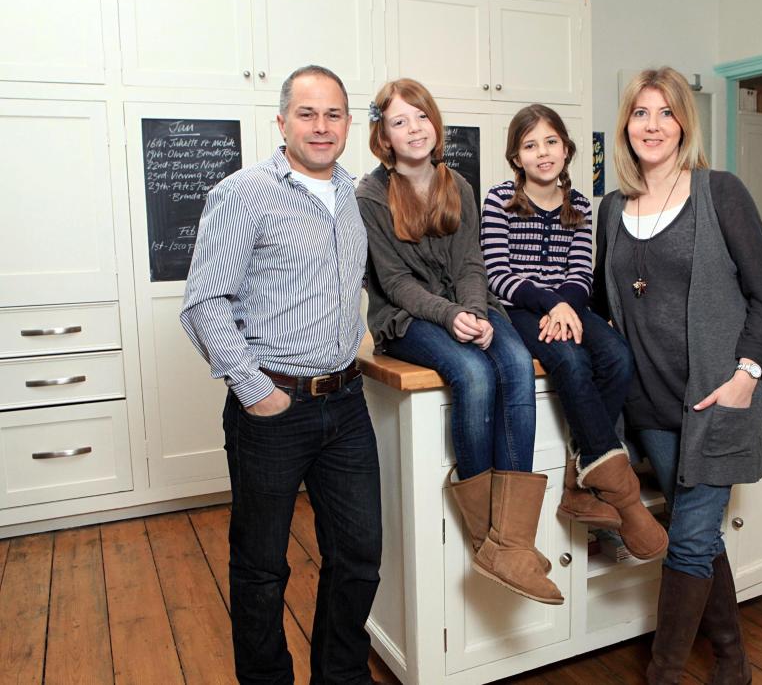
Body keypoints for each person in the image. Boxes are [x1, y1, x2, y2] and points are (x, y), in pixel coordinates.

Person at [181, 65, 382, 685]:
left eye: (334, 115)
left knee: (359, 557)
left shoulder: (357, 194)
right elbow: (203, 303)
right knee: (262, 566)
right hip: (273, 407)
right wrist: (253, 389)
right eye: (307, 114)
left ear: (349, 123)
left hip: (346, 402)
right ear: (281, 121)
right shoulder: (241, 193)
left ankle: (339, 677)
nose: (321, 127)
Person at [593, 67, 762, 684]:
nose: (653, 125)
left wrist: (747, 374)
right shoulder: (611, 210)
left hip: (714, 400)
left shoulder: (718, 191)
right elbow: (601, 304)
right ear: (627, 124)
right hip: (649, 408)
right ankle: (732, 657)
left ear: (684, 124)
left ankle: (664, 674)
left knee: (691, 539)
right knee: (700, 540)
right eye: (641, 113)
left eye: (666, 113)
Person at [356, 78, 561, 605]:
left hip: (465, 306)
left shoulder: (459, 186)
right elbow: (396, 283)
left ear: (434, 122)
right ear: (384, 133)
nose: (413, 129)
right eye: (399, 121)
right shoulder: (371, 195)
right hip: (407, 319)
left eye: (420, 116)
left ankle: (512, 542)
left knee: (514, 362)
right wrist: (452, 318)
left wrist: (474, 312)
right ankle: (485, 537)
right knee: (472, 373)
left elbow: (473, 263)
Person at [480, 104, 667, 559]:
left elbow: (583, 271)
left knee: (619, 356)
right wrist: (553, 304)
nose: (542, 153)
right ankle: (619, 492)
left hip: (569, 302)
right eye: (529, 146)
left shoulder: (580, 204)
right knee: (567, 358)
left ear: (566, 148)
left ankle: (583, 468)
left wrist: (568, 302)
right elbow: (497, 274)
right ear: (516, 157)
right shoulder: (498, 199)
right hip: (520, 306)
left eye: (550, 142)